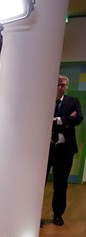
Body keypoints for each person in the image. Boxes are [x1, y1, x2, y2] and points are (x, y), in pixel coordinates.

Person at [47, 75, 83, 226]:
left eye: (65, 85)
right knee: (37, 183)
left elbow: (78, 118)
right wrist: (67, 120)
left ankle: (58, 215)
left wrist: (58, 120)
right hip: (45, 150)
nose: (62, 87)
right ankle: (32, 213)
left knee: (61, 184)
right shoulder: (45, 100)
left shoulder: (72, 101)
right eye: (59, 84)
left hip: (64, 151)